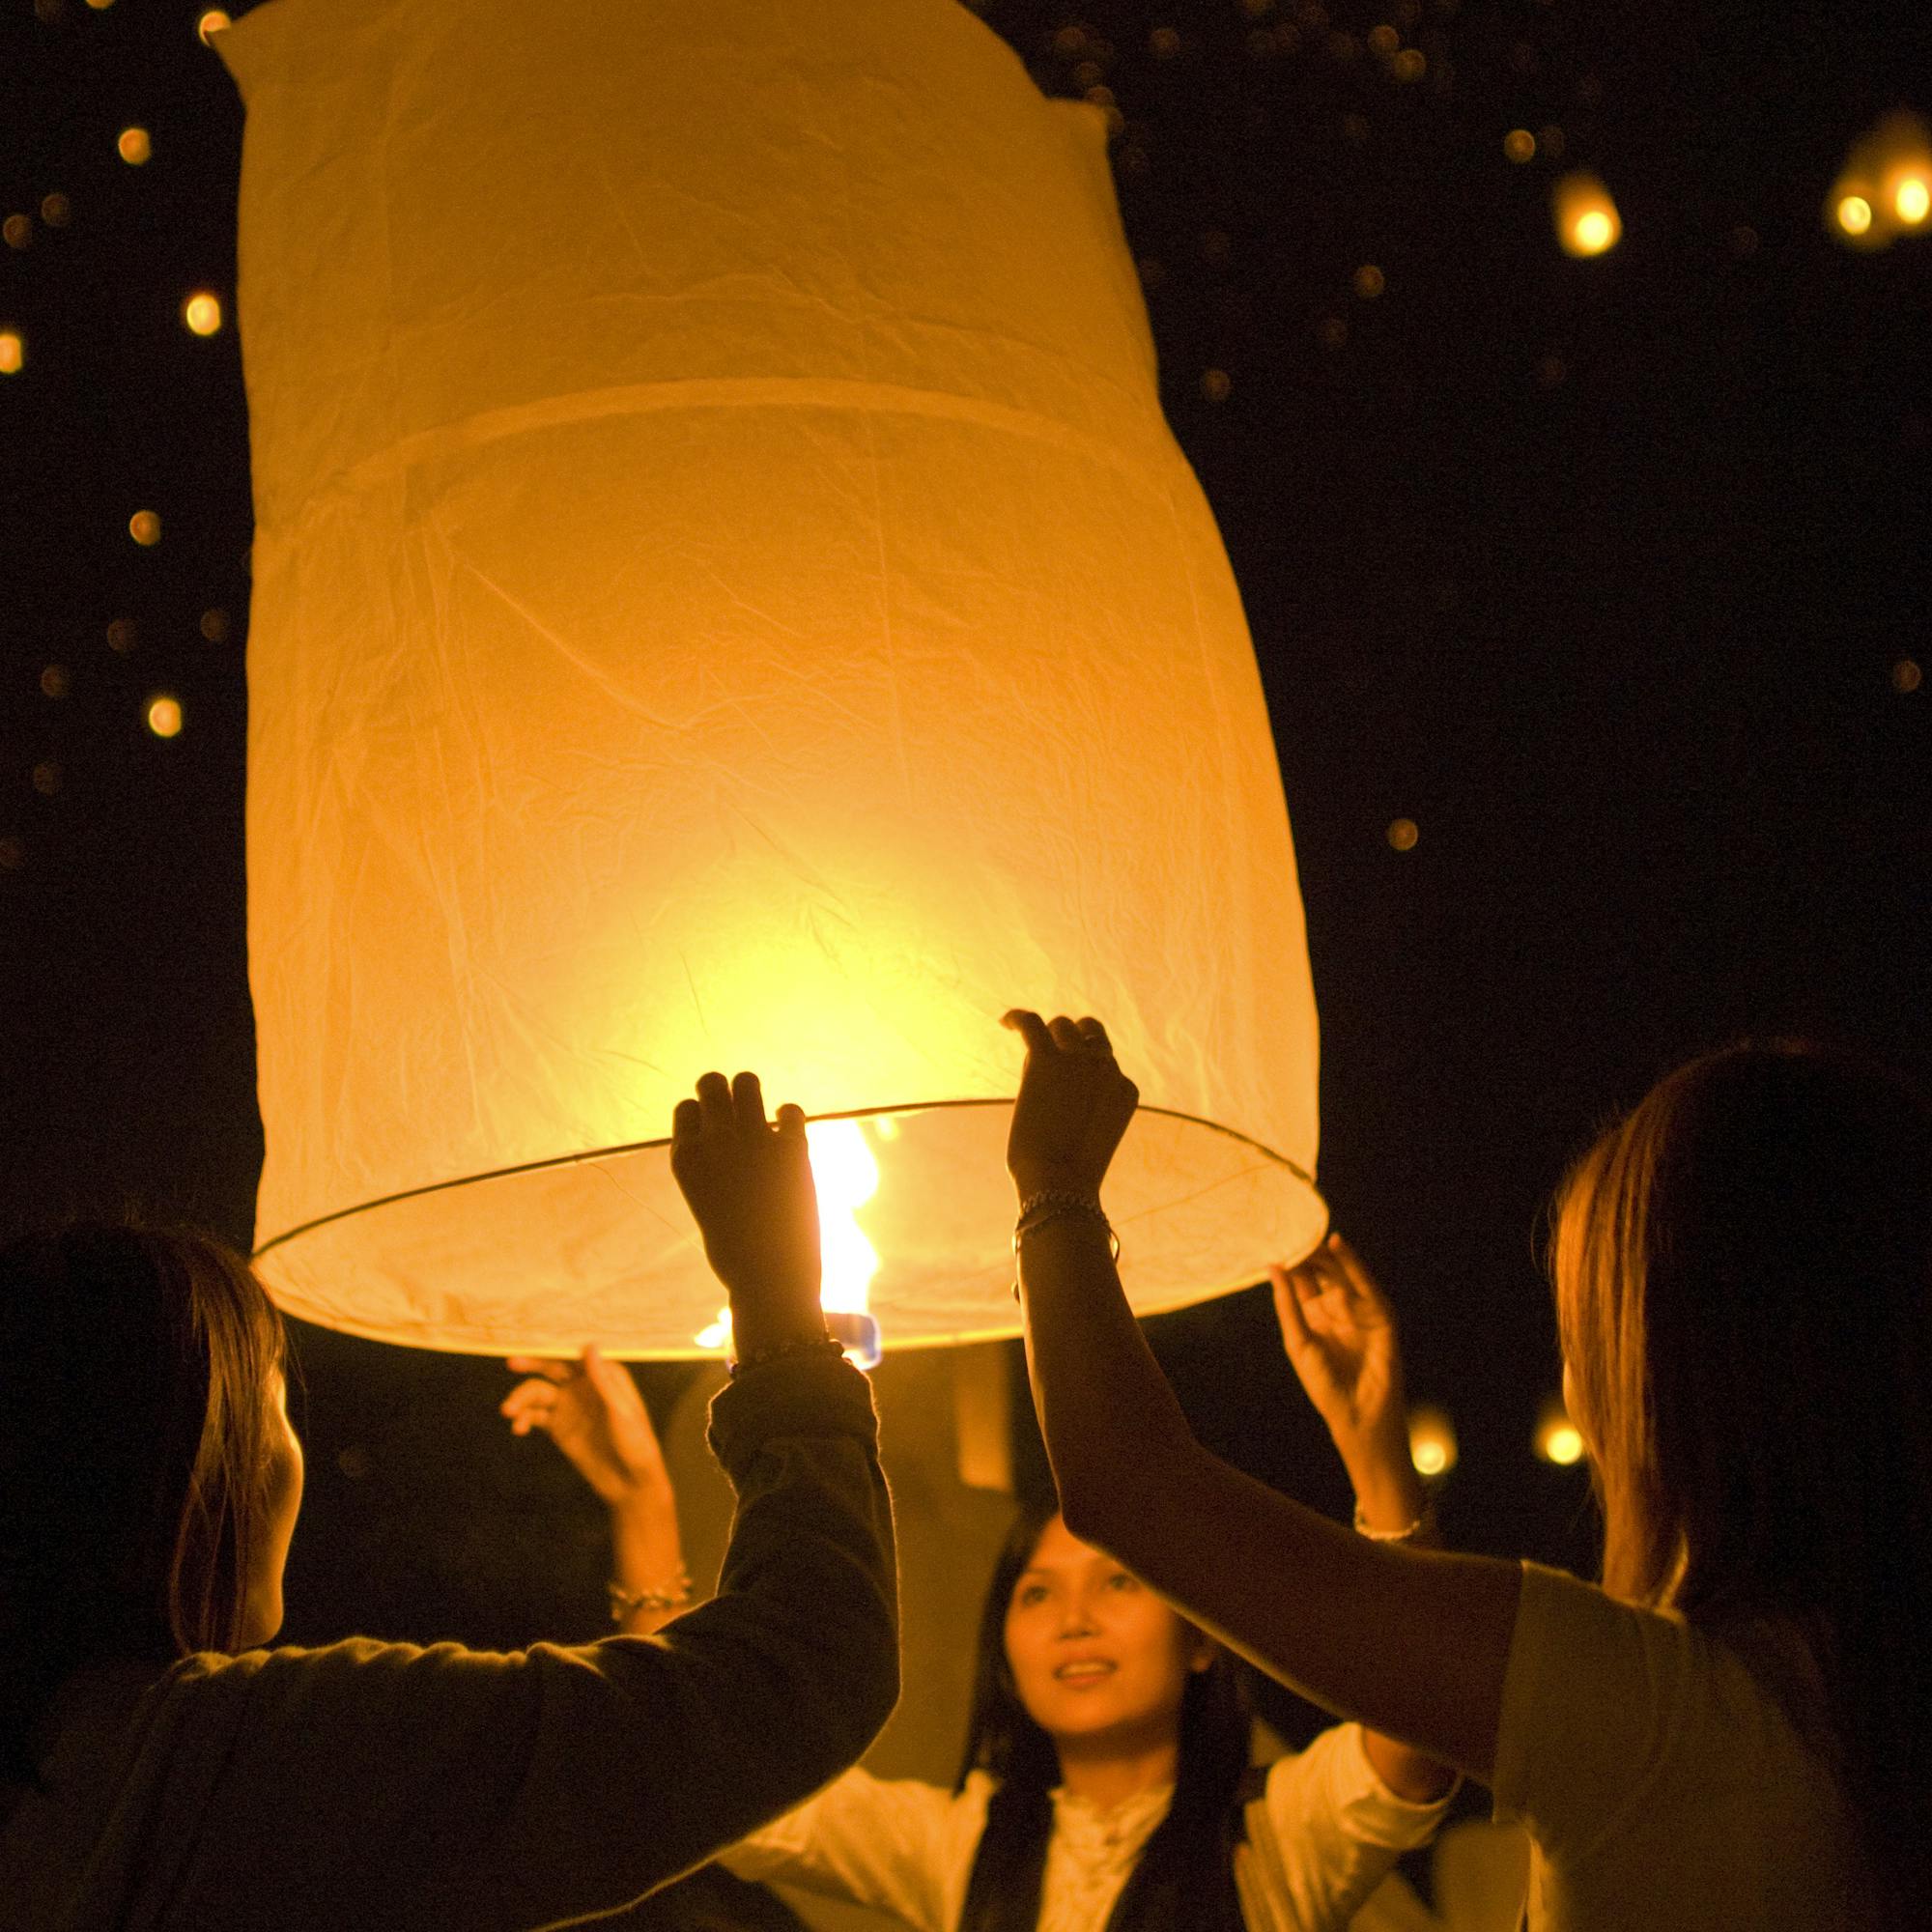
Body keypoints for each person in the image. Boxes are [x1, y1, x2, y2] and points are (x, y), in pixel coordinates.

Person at [1001, 1011, 1932, 1931]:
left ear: (1673, 1372)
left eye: (1583, 1334)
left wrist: (1054, 1187)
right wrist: (1376, 1450)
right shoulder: (1844, 1705)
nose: (1571, 1384)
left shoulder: (1650, 1709)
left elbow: (1130, 1489)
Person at [0, 1070, 898, 1932]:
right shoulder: (250, 1769)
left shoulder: (82, 1780)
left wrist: (641, 1511)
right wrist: (780, 1307)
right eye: (274, 1405)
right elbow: (799, 1668)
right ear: (194, 1476)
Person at [501, 1230, 1456, 1929]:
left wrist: (1371, 1443)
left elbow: (1422, 1712)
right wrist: (640, 1505)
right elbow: (704, 1770)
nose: (1072, 1618)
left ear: (1199, 1632)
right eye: (1036, 1592)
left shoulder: (1277, 1838)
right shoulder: (957, 1848)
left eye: (1117, 1585)